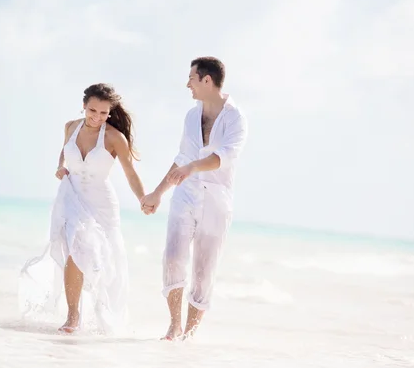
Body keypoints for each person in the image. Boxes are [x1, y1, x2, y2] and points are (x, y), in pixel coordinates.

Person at [19, 83, 147, 335]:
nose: (97, 117)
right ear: (84, 105)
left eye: (103, 113)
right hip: (71, 196)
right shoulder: (70, 127)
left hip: (101, 203)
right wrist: (60, 166)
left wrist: (144, 198)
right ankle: (73, 316)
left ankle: (101, 314)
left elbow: (130, 172)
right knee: (74, 251)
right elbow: (65, 150)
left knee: (104, 259)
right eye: (92, 111)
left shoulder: (114, 138)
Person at [141, 56, 248, 340]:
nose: (187, 83)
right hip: (185, 195)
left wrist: (193, 167)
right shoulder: (191, 115)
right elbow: (181, 159)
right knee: (173, 258)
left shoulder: (236, 118)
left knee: (204, 270)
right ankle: (174, 324)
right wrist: (157, 193)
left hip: (216, 201)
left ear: (206, 80)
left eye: (191, 78)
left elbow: (224, 158)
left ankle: (189, 335)